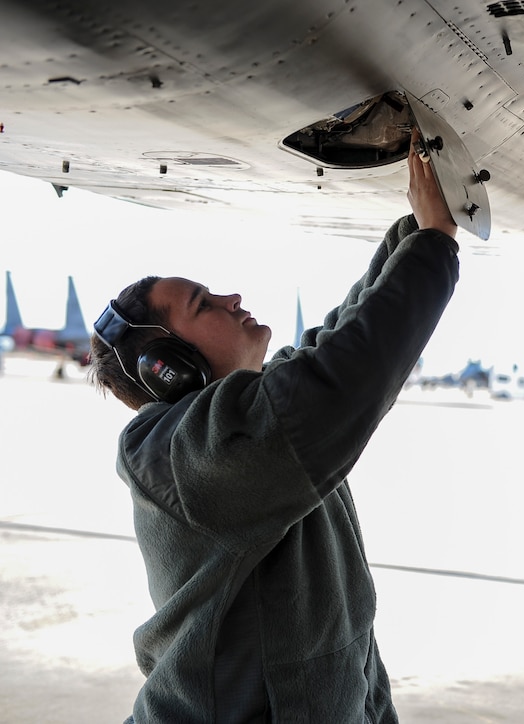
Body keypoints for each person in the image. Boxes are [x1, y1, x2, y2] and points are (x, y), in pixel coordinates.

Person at [88, 130, 459, 722]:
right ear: (166, 368)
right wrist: (435, 245)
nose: (233, 297)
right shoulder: (174, 453)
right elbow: (335, 382)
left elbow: (333, 340)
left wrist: (412, 233)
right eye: (204, 304)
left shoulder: (243, 422)